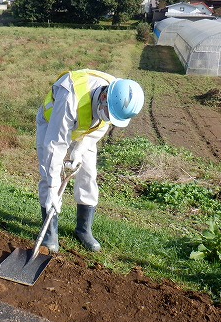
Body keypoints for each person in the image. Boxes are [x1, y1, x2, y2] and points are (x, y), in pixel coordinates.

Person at [36, 69, 144, 252]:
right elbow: (55, 145)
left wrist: (80, 148)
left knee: (88, 174)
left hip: (85, 130)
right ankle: (49, 234)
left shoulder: (115, 97)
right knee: (49, 174)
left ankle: (83, 230)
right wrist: (54, 189)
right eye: (109, 114)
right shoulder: (71, 95)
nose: (109, 119)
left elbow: (100, 127)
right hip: (53, 123)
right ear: (103, 96)